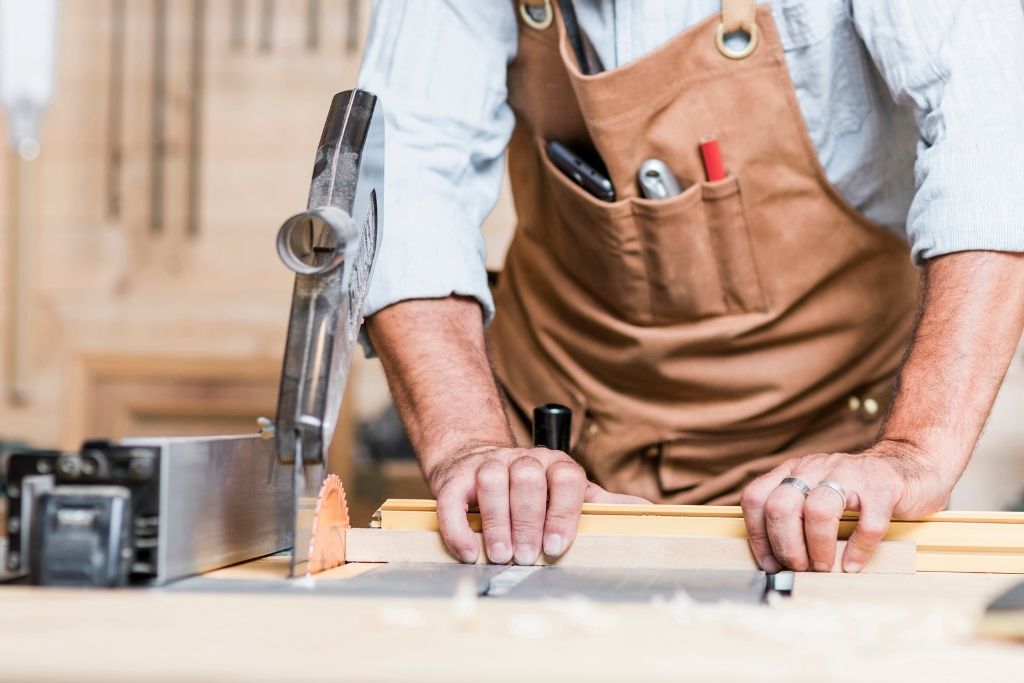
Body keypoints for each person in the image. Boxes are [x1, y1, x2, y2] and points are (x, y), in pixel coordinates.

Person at [357, 0, 1024, 572]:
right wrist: (472, 447)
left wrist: (913, 453)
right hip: (551, 452)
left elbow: (994, 131)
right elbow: (407, 167)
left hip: (833, 468)